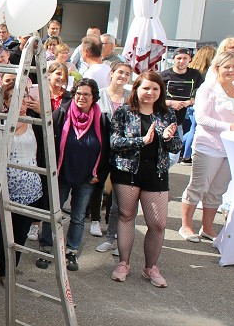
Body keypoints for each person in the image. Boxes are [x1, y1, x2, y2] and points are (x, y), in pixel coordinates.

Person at [105, 71, 182, 287]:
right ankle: (123, 263)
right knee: (127, 216)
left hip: (156, 173)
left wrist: (168, 139)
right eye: (146, 88)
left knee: (158, 223)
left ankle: (150, 268)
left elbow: (177, 146)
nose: (150, 92)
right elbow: (114, 142)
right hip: (127, 171)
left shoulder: (166, 114)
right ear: (136, 89)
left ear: (161, 92)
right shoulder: (124, 112)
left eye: (155, 89)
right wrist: (141, 141)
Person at [37, 79, 110, 272]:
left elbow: (107, 151)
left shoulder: (102, 120)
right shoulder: (60, 113)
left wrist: (100, 175)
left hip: (87, 178)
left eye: (86, 94)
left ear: (94, 97)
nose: (81, 98)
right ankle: (46, 248)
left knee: (78, 217)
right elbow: (46, 143)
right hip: (61, 174)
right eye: (78, 93)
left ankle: (71, 251)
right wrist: (49, 170)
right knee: (53, 212)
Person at [178, 51, 234, 243]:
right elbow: (201, 118)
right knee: (198, 187)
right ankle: (186, 226)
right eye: (226, 66)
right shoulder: (207, 89)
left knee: (218, 190)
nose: (231, 70)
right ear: (217, 68)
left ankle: (207, 228)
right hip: (208, 146)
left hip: (232, 148)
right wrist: (229, 126)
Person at [0, 92, 45, 292]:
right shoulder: (0, 122)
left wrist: (43, 114)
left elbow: (53, 138)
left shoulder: (35, 123)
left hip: (30, 190)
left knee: (19, 234)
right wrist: (9, 122)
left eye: (25, 99)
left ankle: (8, 271)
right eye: (16, 99)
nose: (22, 103)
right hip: (2, 190)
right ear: (6, 103)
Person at [88, 61, 132, 244]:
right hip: (102, 145)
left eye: (127, 74)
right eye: (120, 72)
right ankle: (95, 220)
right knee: (98, 183)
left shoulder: (130, 97)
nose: (122, 76)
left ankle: (110, 222)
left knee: (116, 185)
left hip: (122, 149)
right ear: (111, 74)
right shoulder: (101, 95)